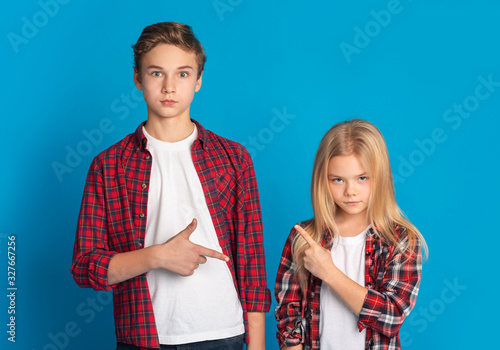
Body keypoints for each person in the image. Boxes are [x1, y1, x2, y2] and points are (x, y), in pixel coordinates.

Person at [71, 22, 270, 350]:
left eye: (182, 74)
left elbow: (251, 258)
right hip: (145, 337)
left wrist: (258, 343)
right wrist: (156, 257)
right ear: (137, 78)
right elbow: (85, 267)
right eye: (156, 73)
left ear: (198, 80)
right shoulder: (108, 166)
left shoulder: (234, 158)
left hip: (225, 333)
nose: (169, 87)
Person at [275, 119, 427, 349]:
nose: (350, 191)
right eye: (338, 180)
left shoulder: (401, 240)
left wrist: (330, 273)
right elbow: (289, 318)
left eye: (362, 178)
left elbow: (391, 316)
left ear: (380, 176)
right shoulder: (304, 237)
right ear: (322, 181)